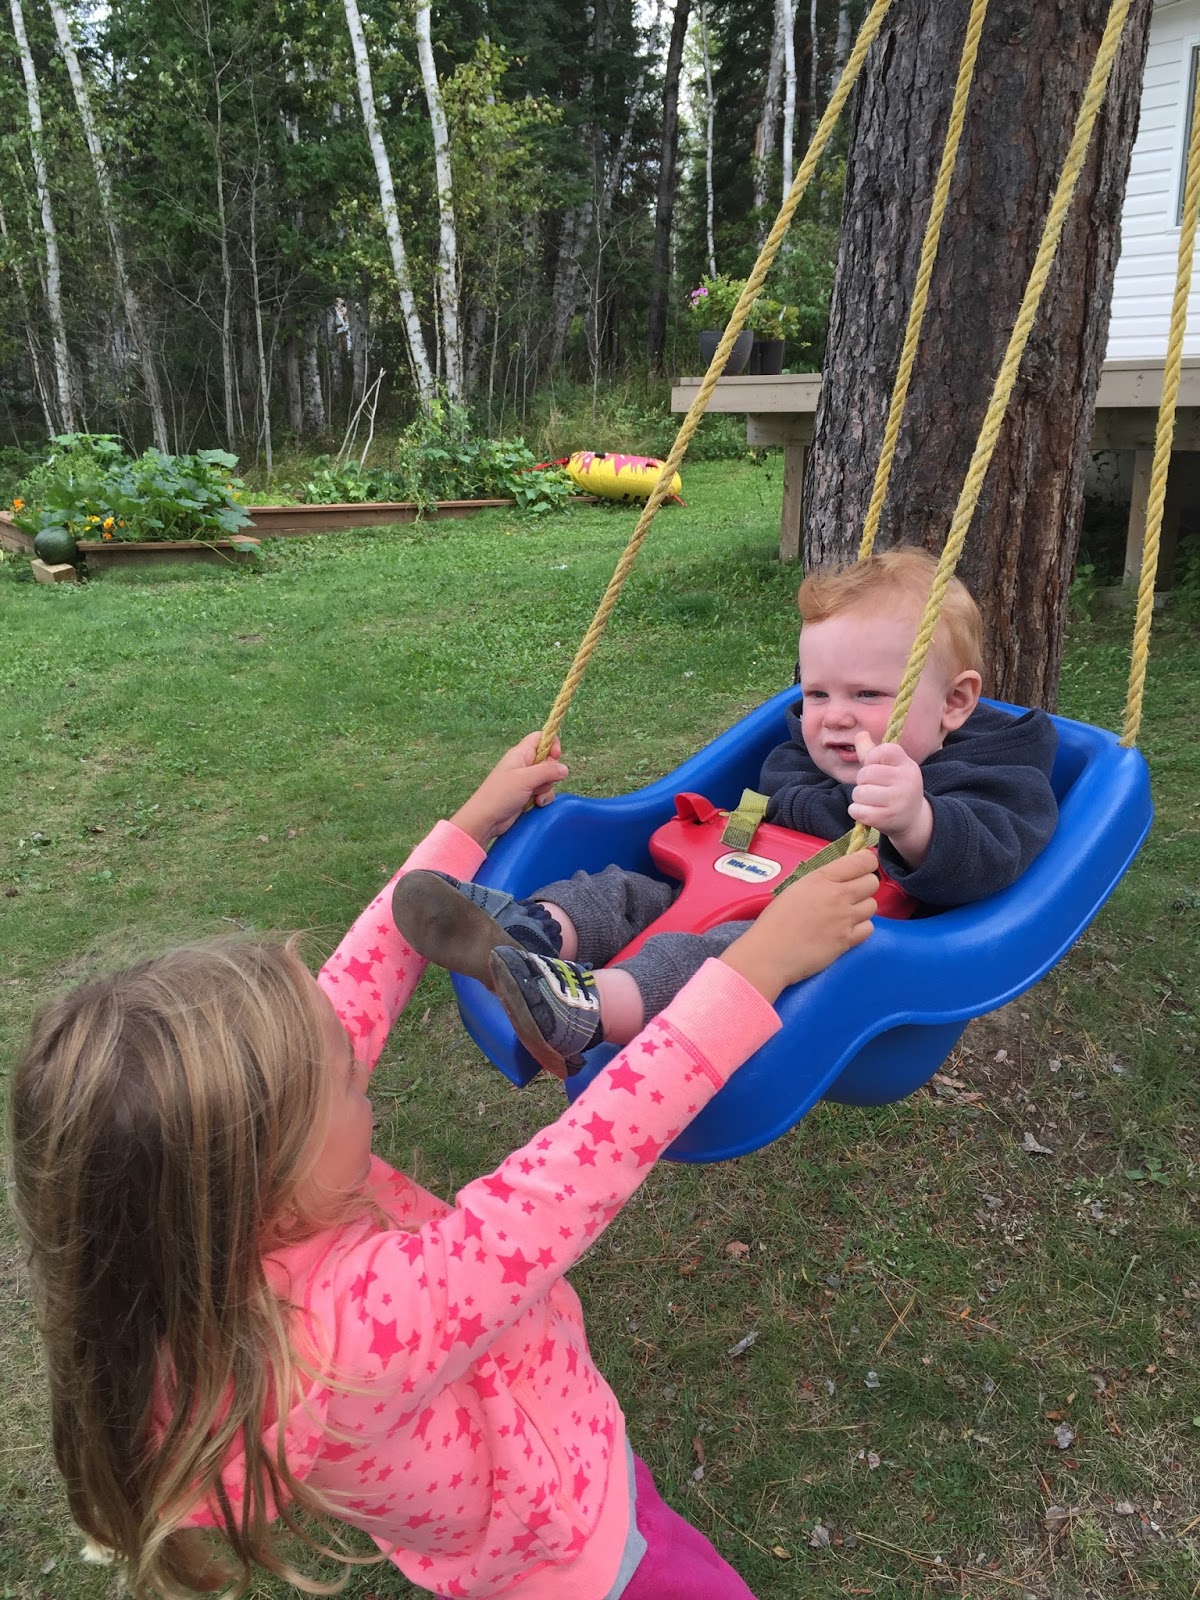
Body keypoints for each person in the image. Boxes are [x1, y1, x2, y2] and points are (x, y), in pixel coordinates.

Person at [8, 731, 879, 1600]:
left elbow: (354, 986)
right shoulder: (347, 1340)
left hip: (546, 1479)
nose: (358, 1062)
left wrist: (469, 825)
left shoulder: (203, 1238)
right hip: (585, 1557)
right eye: (343, 1081)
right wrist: (755, 965)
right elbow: (570, 1173)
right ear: (264, 1173)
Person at [393, 548, 1058, 1078]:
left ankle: (590, 1009)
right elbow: (769, 797)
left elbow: (990, 860)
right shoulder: (806, 752)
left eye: (867, 694)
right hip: (725, 880)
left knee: (710, 955)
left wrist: (914, 822)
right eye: (816, 692)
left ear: (954, 702)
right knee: (621, 893)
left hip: (808, 940)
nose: (834, 717)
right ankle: (533, 931)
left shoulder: (990, 775)